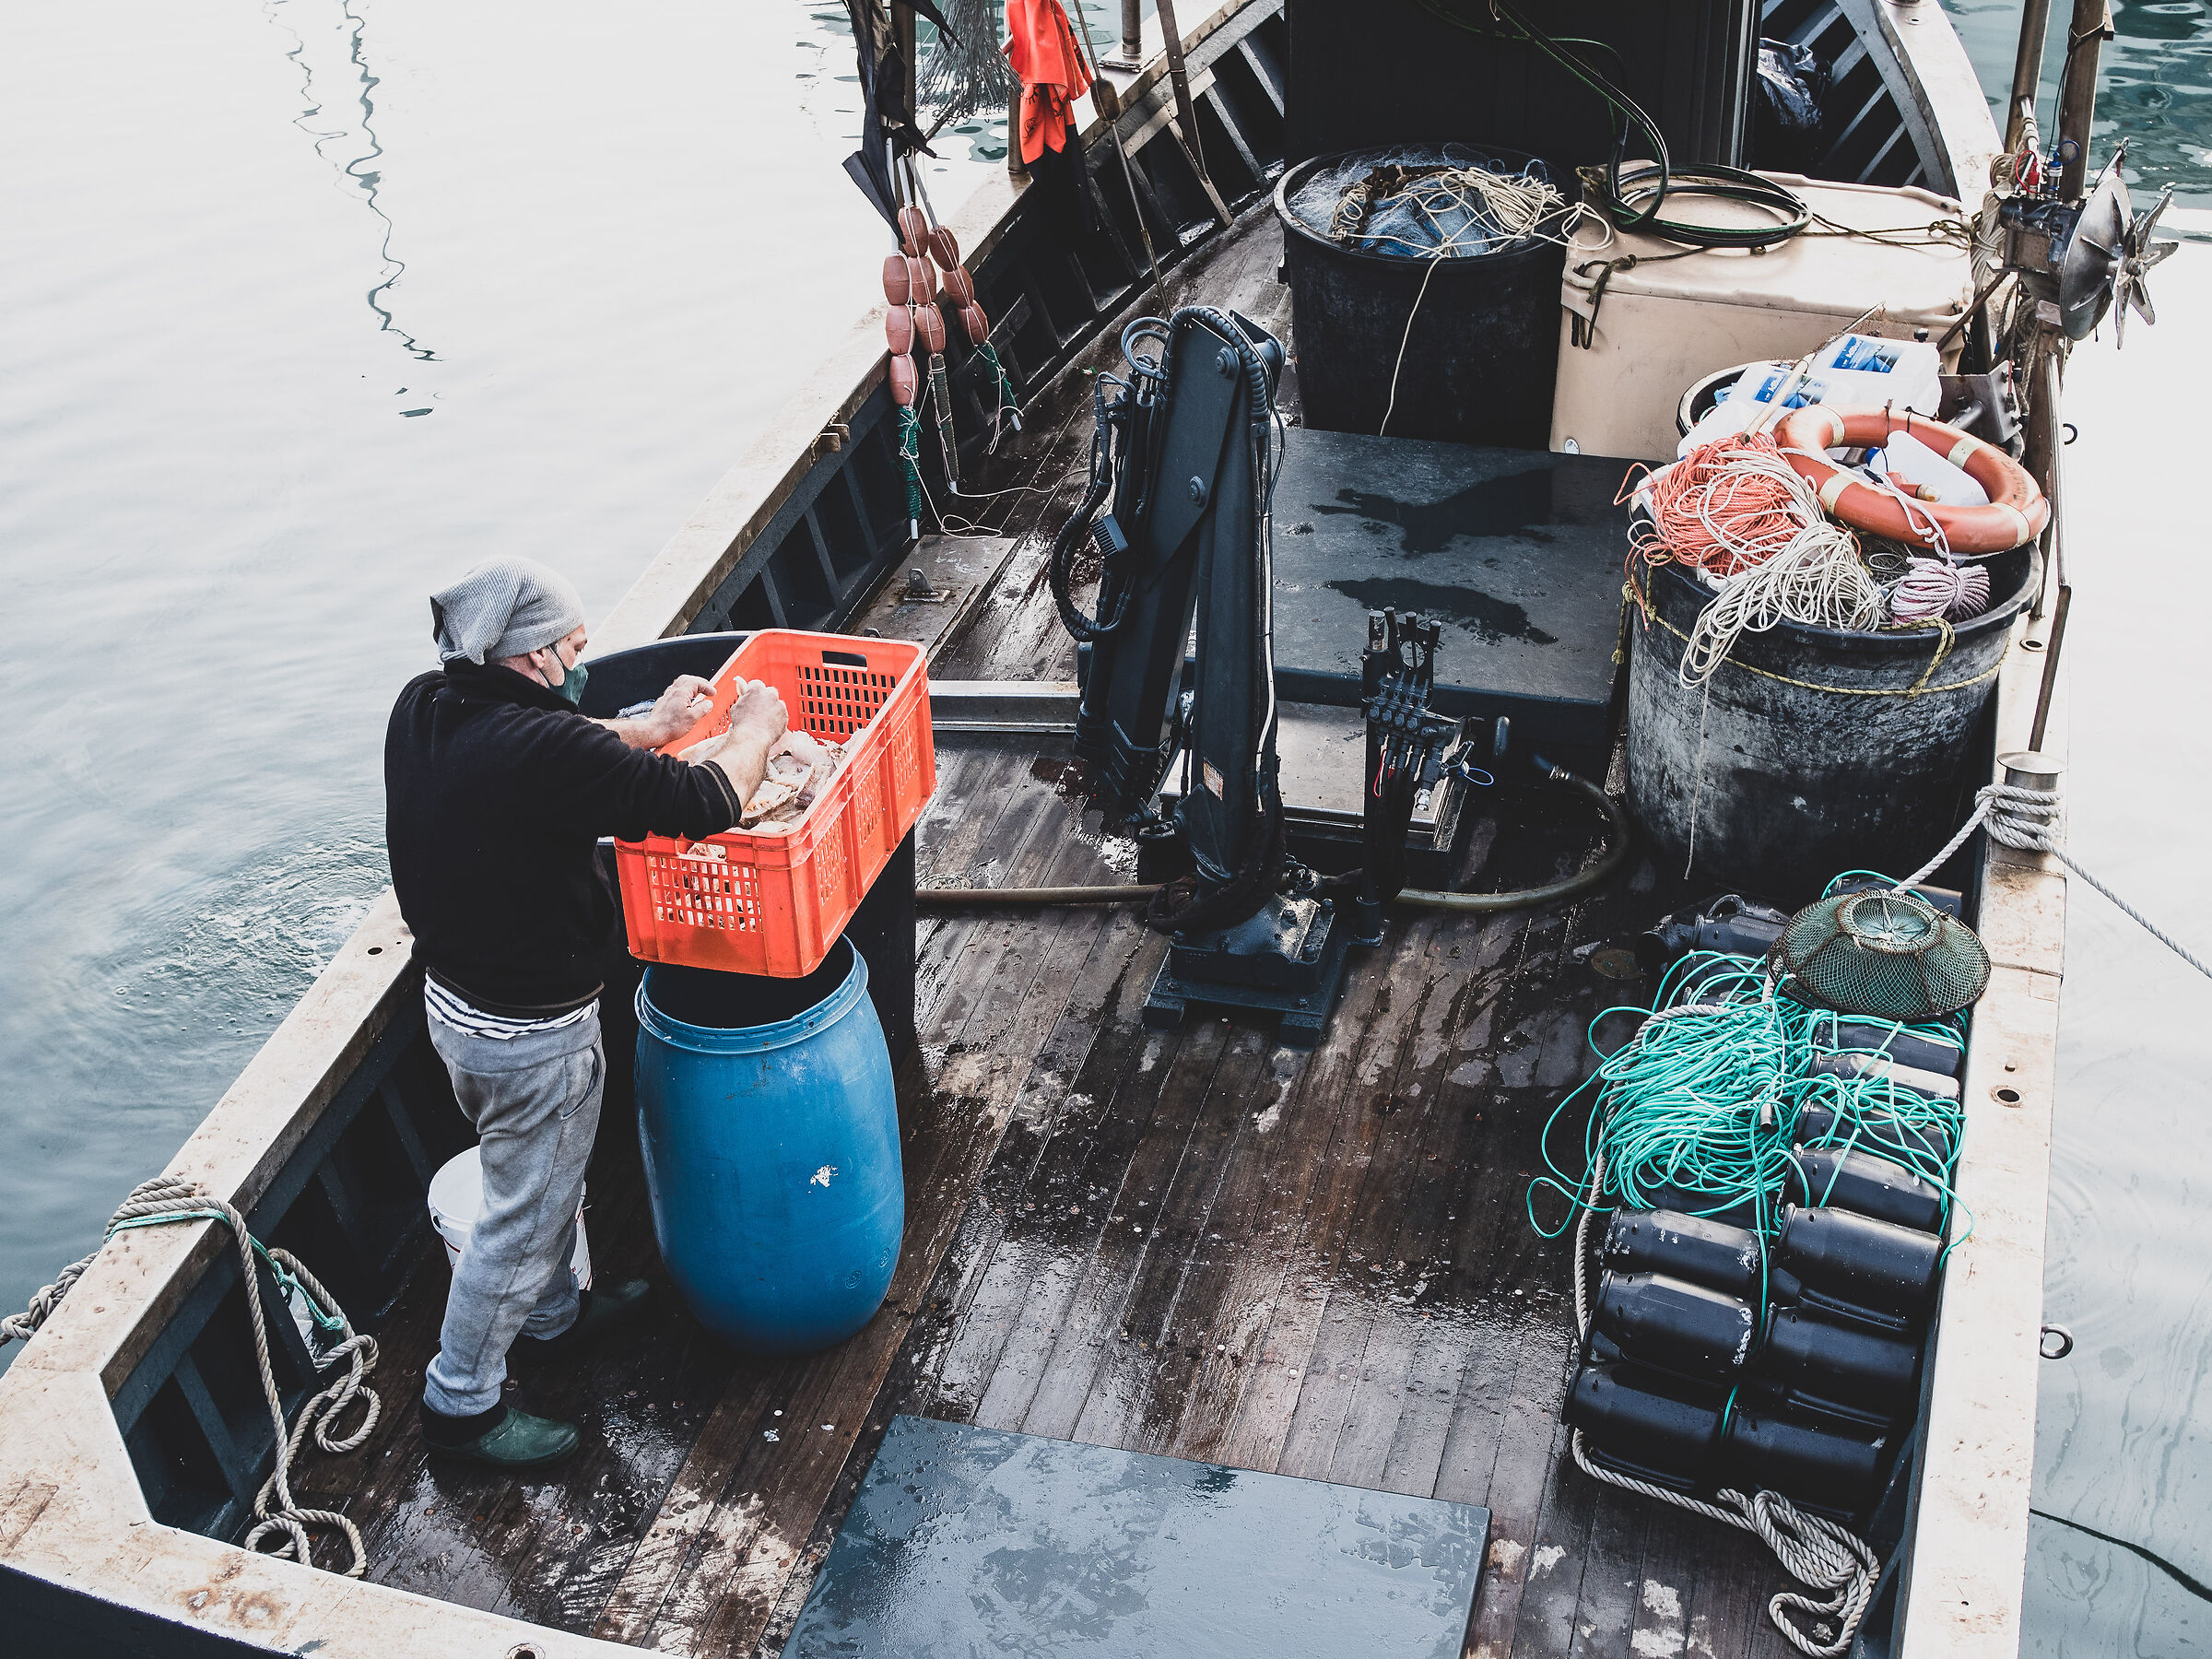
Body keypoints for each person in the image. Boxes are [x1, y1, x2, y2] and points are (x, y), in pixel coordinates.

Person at [385, 557, 785, 1471]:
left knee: (547, 1184)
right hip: (529, 1038)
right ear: (527, 656)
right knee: (521, 1227)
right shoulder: (539, 747)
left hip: (460, 1009)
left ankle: (558, 1323)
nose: (580, 657)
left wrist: (654, 728)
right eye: (570, 644)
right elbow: (704, 801)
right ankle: (462, 1412)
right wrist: (755, 727)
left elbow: (553, 756)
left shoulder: (429, 706)